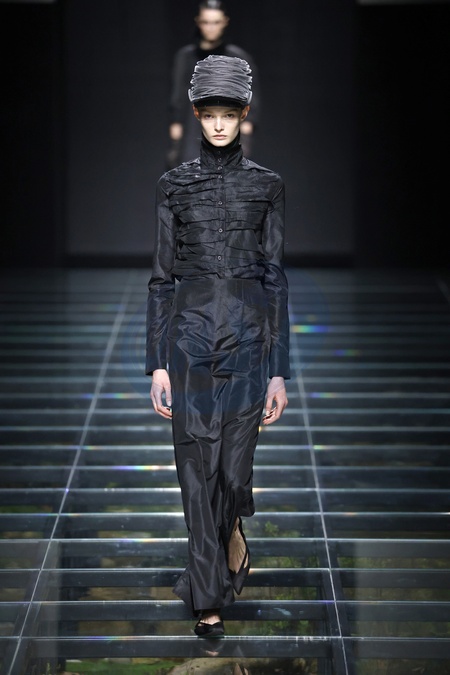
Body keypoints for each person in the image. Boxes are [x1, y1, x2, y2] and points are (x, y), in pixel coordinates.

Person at [146, 54, 289, 638]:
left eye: (228, 114)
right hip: (190, 343)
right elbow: (161, 278)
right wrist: (157, 363)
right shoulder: (173, 187)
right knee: (195, 470)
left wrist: (279, 371)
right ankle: (208, 600)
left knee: (233, 471)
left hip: (250, 344)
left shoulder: (268, 186)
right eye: (210, 115)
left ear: (244, 114)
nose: (219, 124)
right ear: (197, 116)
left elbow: (275, 277)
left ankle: (232, 530)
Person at [167, 0, 259, 167]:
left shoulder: (238, 57)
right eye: (206, 22)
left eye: (216, 22)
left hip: (228, 126)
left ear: (225, 22)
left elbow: (251, 94)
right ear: (198, 22)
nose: (211, 28)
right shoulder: (185, 57)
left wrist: (247, 124)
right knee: (190, 172)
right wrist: (176, 122)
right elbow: (178, 94)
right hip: (192, 125)